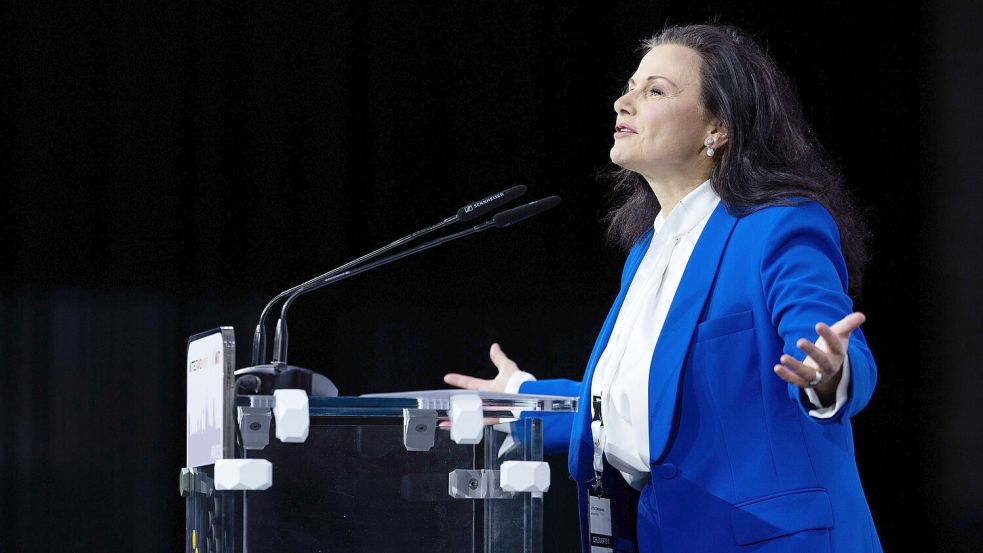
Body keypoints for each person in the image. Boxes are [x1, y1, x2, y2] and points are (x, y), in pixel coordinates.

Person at [444, 23, 880, 553]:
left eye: (655, 90)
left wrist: (828, 373)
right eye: (630, 86)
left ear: (716, 128)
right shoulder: (645, 257)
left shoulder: (779, 229)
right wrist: (519, 394)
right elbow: (646, 413)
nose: (623, 102)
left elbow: (829, 344)